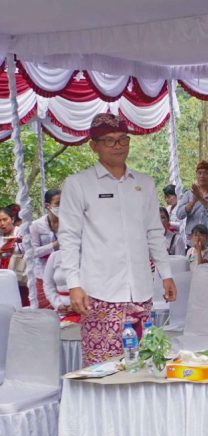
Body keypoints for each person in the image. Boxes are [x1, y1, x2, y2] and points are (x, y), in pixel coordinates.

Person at [59, 113, 176, 366]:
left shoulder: (144, 183)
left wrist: (166, 274)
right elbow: (69, 237)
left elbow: (154, 232)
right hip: (100, 291)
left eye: (123, 139)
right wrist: (73, 284)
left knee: (143, 363)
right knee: (103, 368)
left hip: (141, 290)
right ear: (94, 145)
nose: (118, 146)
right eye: (110, 141)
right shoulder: (78, 184)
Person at [176, 160, 208, 246]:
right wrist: (192, 202)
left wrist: (201, 199)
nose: (202, 176)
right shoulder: (188, 194)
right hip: (193, 242)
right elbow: (179, 215)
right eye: (199, 173)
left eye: (206, 173)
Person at [27, 189, 61, 309]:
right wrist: (54, 245)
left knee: (67, 312)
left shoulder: (70, 223)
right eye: (58, 204)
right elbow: (32, 252)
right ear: (47, 206)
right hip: (42, 275)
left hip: (64, 275)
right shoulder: (36, 225)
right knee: (47, 313)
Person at [41, 247, 77, 322]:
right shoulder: (54, 256)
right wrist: (57, 304)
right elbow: (48, 284)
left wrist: (78, 304)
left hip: (84, 311)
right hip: (61, 311)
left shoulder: (88, 255)